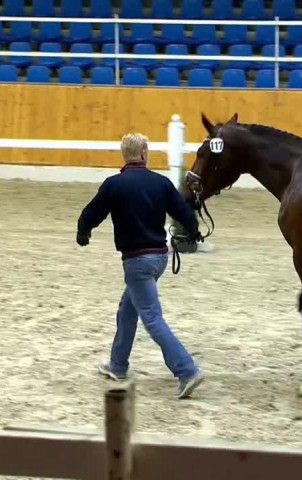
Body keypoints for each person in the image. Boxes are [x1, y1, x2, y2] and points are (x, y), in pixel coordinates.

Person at [76, 133, 204, 399]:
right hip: (159, 258)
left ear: (126, 155)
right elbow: (183, 211)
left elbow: (92, 213)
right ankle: (118, 365)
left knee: (152, 318)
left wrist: (83, 231)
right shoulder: (161, 182)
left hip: (136, 261)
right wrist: (194, 231)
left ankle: (186, 370)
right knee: (127, 309)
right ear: (144, 154)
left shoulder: (114, 185)